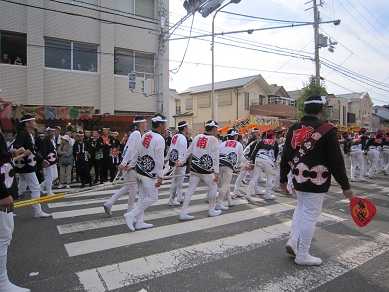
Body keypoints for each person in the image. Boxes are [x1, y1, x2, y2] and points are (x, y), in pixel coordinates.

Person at [279, 95, 353, 266]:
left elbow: (286, 156)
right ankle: (303, 254)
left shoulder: (294, 128)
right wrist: (345, 185)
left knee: (301, 207)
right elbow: (336, 160)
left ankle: (293, 240)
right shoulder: (327, 129)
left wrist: (283, 178)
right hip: (317, 178)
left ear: (304, 110)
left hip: (298, 176)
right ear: (321, 110)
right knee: (310, 215)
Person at [123, 114, 167, 231]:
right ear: (161, 125)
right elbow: (159, 159)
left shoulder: (146, 135)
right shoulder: (159, 139)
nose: (166, 126)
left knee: (142, 197)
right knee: (153, 197)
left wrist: (132, 164)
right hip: (149, 173)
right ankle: (131, 215)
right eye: (165, 124)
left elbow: (137, 151)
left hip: (140, 170)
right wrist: (160, 175)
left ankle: (139, 221)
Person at [0, 129, 31, 292]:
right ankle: (1, 282)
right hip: (2, 191)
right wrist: (3, 193)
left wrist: (11, 153)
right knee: (3, 236)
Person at [176, 120, 221, 221]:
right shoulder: (214, 139)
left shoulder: (197, 137)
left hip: (195, 168)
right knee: (213, 186)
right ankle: (211, 210)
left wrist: (182, 161)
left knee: (190, 190)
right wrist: (216, 172)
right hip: (206, 170)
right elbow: (215, 157)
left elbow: (189, 150)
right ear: (214, 129)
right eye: (216, 129)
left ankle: (183, 212)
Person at [103, 117, 147, 216]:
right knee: (133, 189)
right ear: (140, 124)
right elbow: (130, 149)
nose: (146, 125)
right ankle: (130, 211)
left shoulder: (138, 134)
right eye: (145, 123)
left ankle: (110, 202)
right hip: (130, 165)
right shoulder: (136, 134)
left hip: (129, 163)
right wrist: (125, 163)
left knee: (128, 186)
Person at [13, 115, 51, 218]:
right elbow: (16, 145)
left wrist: (41, 160)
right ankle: (37, 211)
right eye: (33, 121)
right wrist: (22, 150)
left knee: (20, 188)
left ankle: (7, 209)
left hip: (27, 166)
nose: (36, 123)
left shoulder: (28, 135)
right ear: (27, 123)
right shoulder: (22, 134)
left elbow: (33, 151)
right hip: (26, 167)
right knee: (35, 188)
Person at [246, 130, 279, 201]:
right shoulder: (275, 143)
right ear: (272, 136)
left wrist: (251, 161)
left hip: (258, 158)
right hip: (268, 160)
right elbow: (275, 154)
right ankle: (268, 194)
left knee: (255, 177)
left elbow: (255, 151)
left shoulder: (261, 141)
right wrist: (274, 163)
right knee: (269, 177)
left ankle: (248, 194)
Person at [217, 128, 243, 209]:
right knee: (226, 184)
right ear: (235, 136)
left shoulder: (222, 143)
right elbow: (240, 159)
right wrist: (238, 167)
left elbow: (217, 154)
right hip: (229, 165)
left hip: (220, 164)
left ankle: (229, 201)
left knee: (225, 184)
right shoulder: (238, 144)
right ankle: (219, 203)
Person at [166, 121, 189, 206]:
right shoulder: (182, 138)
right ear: (185, 128)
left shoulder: (175, 136)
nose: (188, 128)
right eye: (187, 127)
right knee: (177, 181)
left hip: (173, 159)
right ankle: (172, 199)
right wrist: (180, 161)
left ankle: (178, 196)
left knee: (177, 181)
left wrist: (167, 158)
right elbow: (182, 150)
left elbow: (171, 149)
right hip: (179, 161)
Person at [39, 127, 58, 196]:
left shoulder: (52, 139)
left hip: (53, 160)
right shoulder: (45, 140)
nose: (53, 133)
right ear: (47, 132)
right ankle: (49, 191)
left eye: (53, 131)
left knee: (55, 176)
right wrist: (44, 160)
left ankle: (40, 186)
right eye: (51, 131)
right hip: (48, 160)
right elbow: (43, 151)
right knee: (49, 176)